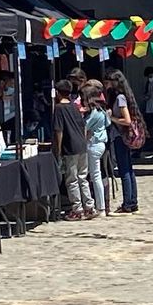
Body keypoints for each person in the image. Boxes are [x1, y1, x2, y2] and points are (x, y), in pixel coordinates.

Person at [54, 79, 95, 221]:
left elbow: (59, 131)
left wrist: (58, 149)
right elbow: (83, 126)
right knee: (83, 177)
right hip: (82, 145)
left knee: (71, 180)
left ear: (58, 93)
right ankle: (89, 206)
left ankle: (77, 209)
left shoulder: (59, 109)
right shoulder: (75, 107)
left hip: (70, 147)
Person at [105, 70, 142, 213]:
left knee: (124, 169)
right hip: (123, 136)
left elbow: (127, 120)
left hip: (121, 136)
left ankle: (128, 202)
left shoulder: (120, 98)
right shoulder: (123, 96)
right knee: (129, 168)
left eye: (108, 82)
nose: (106, 85)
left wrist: (111, 117)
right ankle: (132, 201)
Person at [82, 81, 110, 215]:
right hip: (101, 144)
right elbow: (108, 123)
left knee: (93, 176)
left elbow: (84, 127)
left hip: (93, 145)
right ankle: (100, 205)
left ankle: (99, 206)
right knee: (95, 175)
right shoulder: (102, 111)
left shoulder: (93, 114)